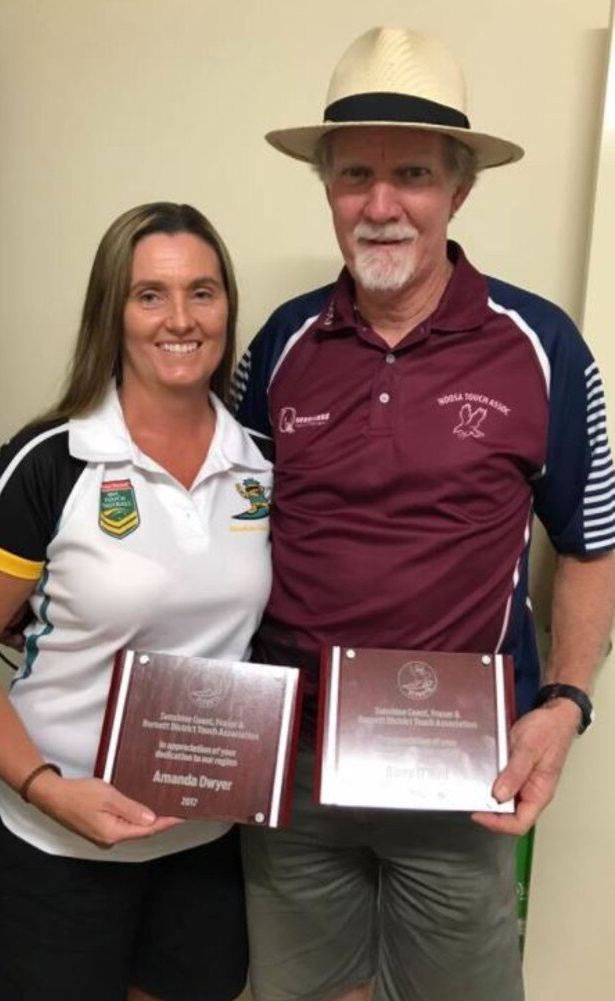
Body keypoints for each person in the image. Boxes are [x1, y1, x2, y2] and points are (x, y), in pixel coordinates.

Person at [231, 26, 615, 1001]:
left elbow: (590, 545)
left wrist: (563, 708)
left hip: (455, 772)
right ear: (325, 188)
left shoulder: (542, 346)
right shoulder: (279, 344)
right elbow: (221, 530)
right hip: (295, 766)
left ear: (459, 187)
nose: (380, 202)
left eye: (409, 172)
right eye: (353, 174)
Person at [0, 201, 272, 1001]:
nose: (180, 318)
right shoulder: (47, 462)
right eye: (150, 295)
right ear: (114, 309)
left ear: (227, 307)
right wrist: (43, 785)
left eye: (202, 292)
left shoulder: (267, 467)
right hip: (55, 853)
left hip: (204, 848)